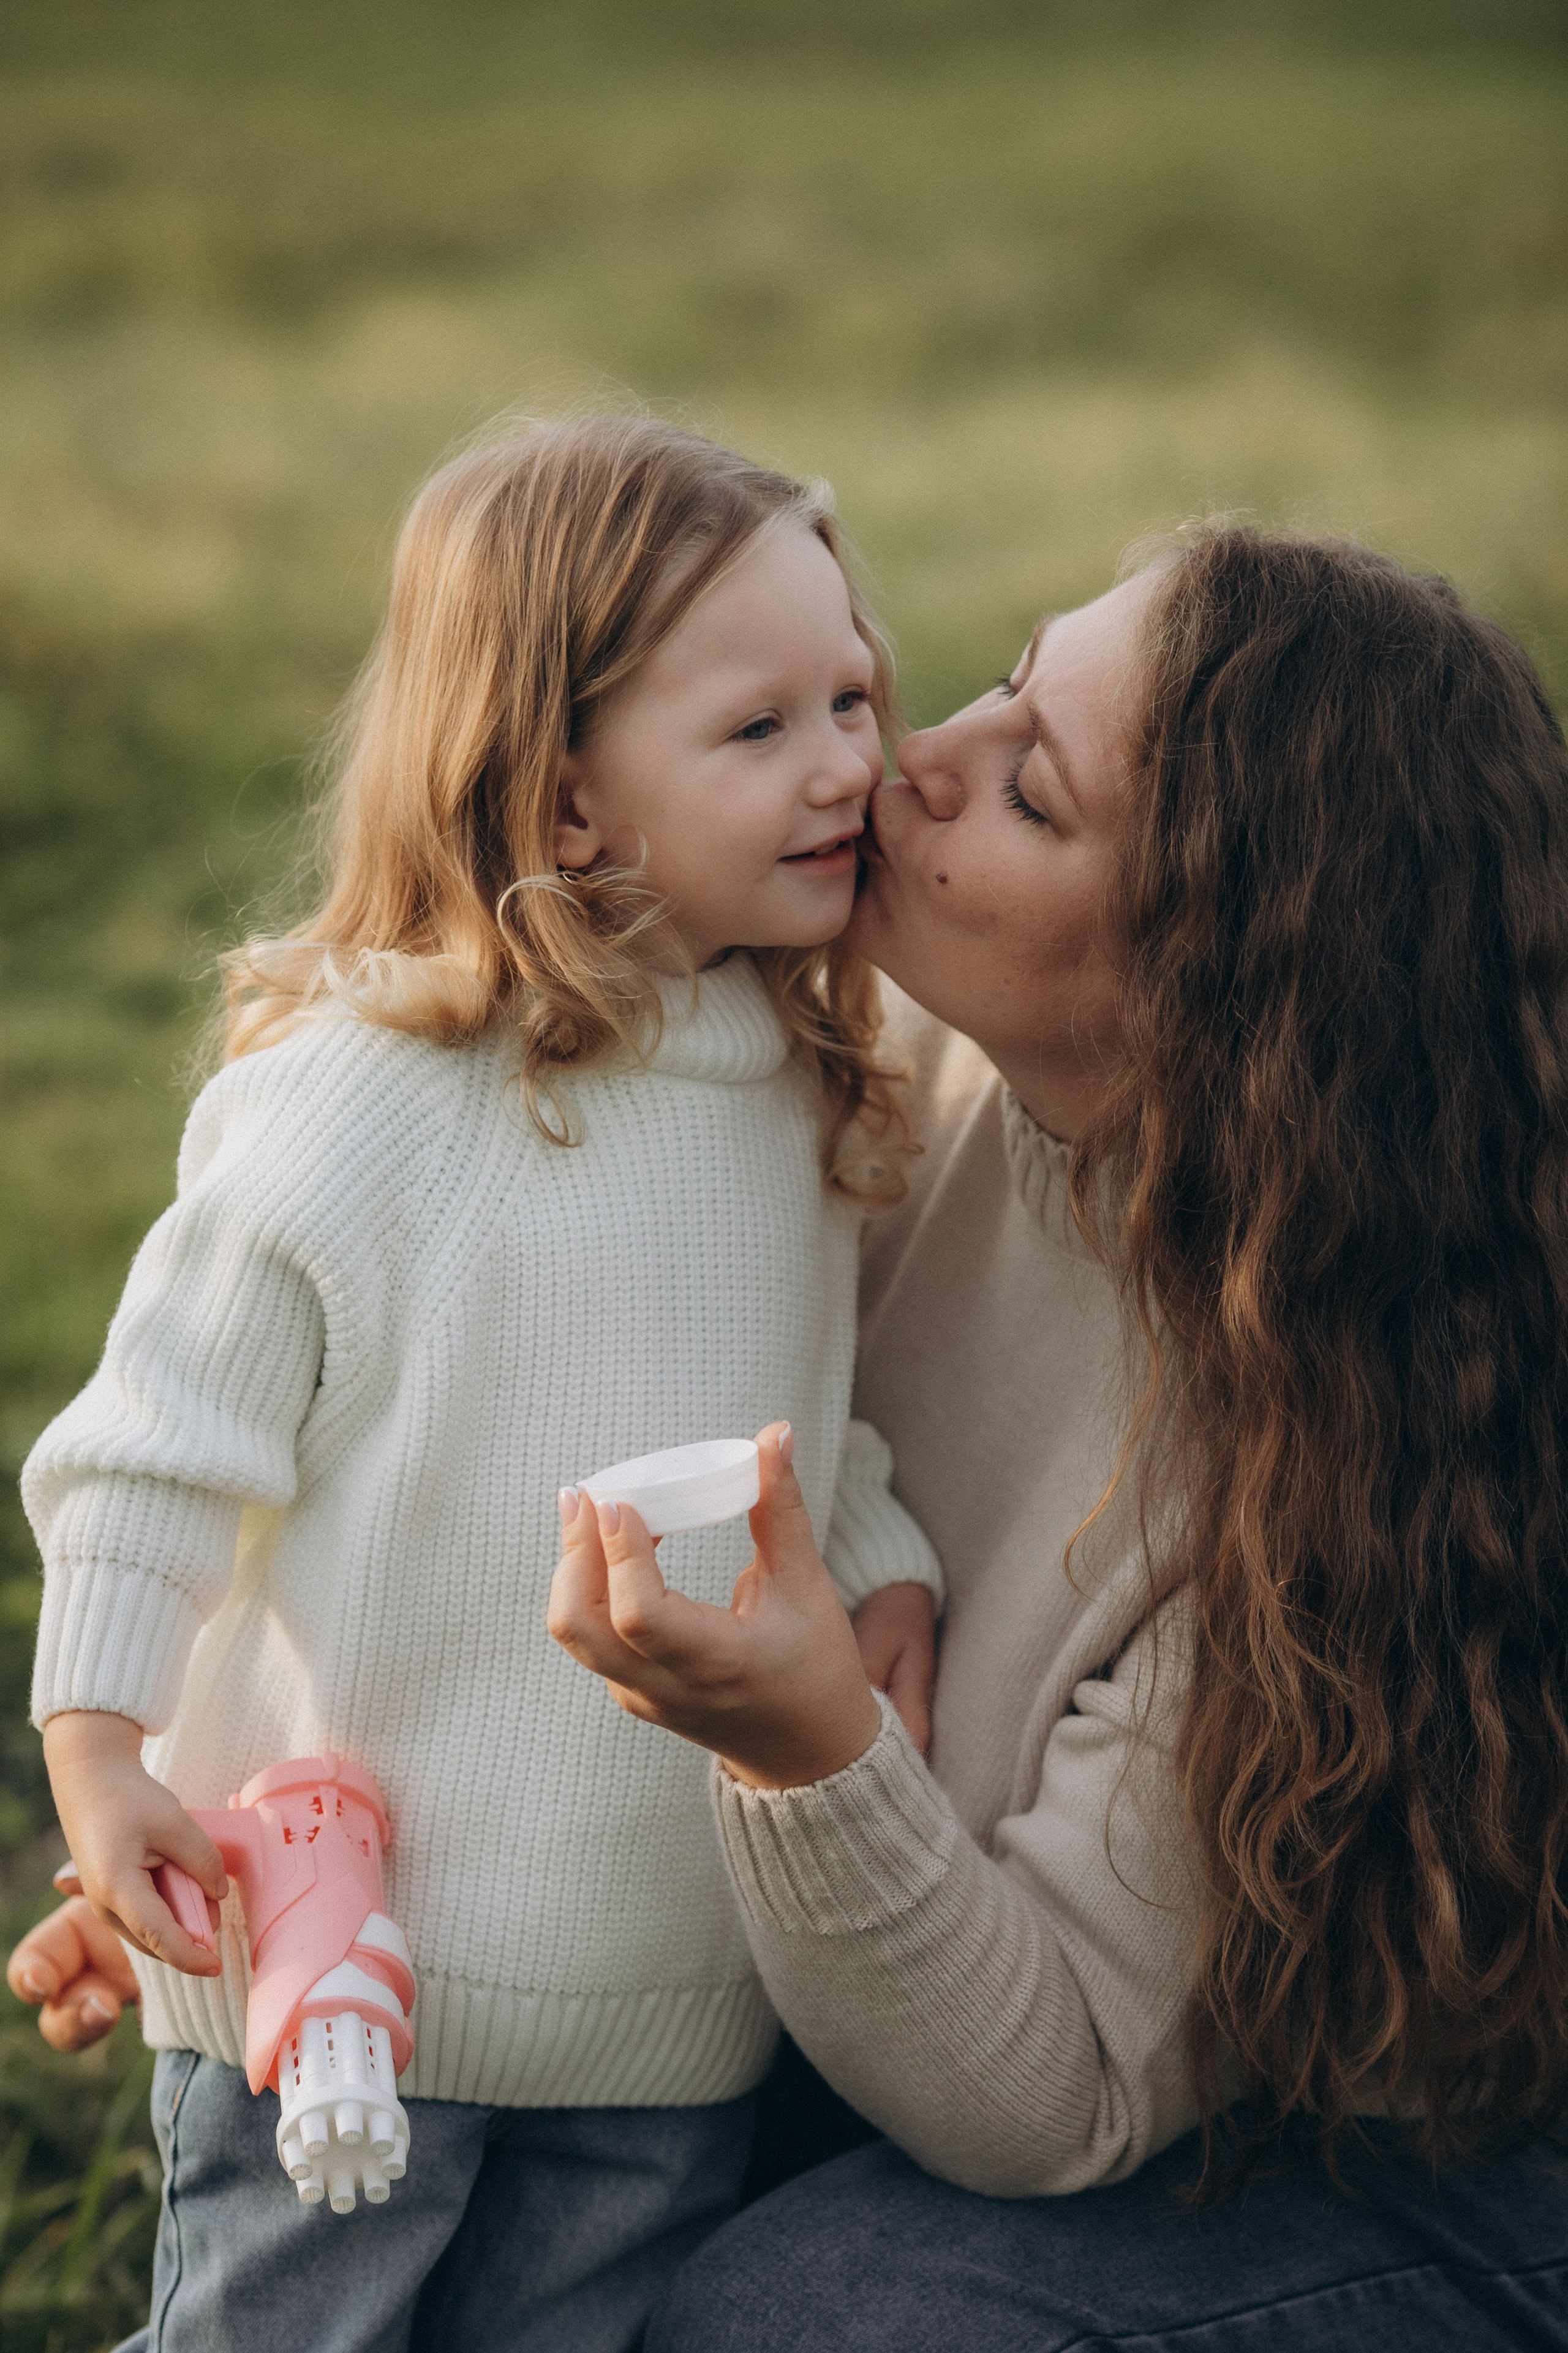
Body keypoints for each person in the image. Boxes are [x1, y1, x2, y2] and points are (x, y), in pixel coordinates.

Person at [548, 526, 1568, 2346]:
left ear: (1215, 994)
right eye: (1012, 675)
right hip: (981, 1997)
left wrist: (812, 1760)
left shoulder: (1317, 1440)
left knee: (804, 2313)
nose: (909, 754)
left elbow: (1059, 2092)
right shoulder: (900, 1073)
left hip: (1412, 2146)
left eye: (1030, 789)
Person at [9, 414, 944, 2353]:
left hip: (665, 1988)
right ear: (568, 797)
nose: (852, 759)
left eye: (853, 694)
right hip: (353, 1952)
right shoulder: (366, 1096)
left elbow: (804, 1420)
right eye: (760, 726)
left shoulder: (795, 1084)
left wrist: (890, 1575)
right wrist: (97, 1746)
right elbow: (154, 1444)